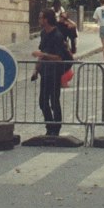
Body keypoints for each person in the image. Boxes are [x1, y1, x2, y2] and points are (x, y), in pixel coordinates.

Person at [33, 7, 71, 136]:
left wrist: (43, 54)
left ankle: (56, 128)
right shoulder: (44, 33)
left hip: (55, 72)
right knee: (43, 101)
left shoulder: (57, 35)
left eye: (40, 17)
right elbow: (41, 54)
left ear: (46, 19)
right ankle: (49, 126)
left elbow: (59, 58)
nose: (38, 20)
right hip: (45, 71)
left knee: (54, 101)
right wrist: (36, 70)